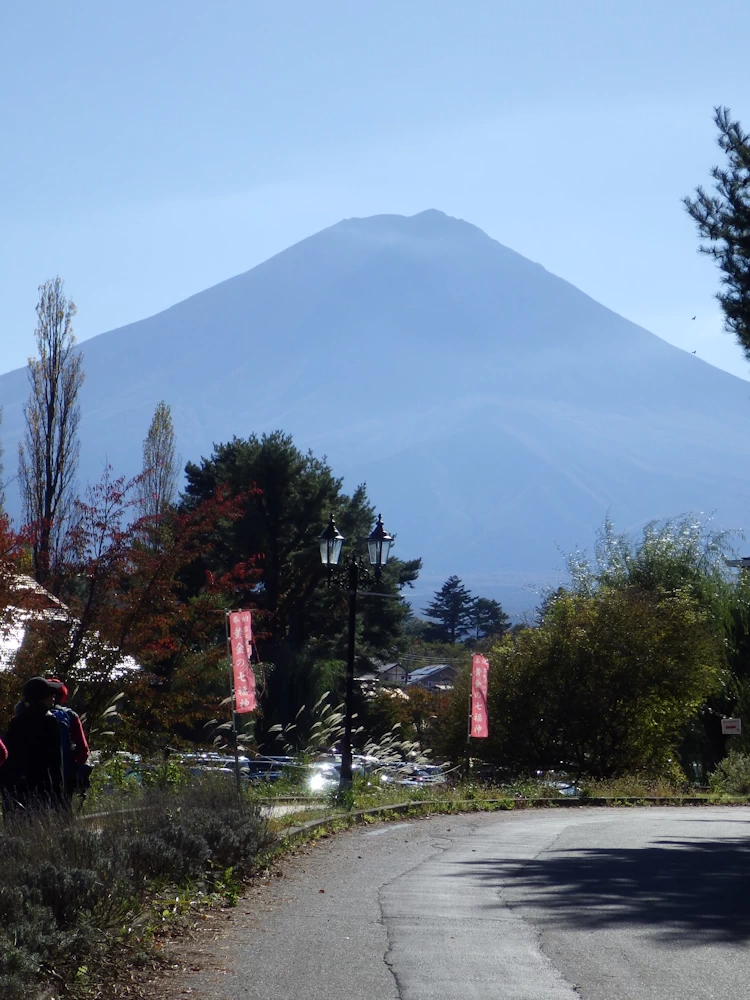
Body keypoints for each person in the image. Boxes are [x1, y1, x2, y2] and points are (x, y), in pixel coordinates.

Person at [1, 676, 65, 813]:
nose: (53, 697)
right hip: (42, 784)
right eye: (50, 694)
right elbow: (55, 761)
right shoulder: (49, 722)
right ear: (42, 697)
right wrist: (59, 796)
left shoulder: (16, 722)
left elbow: (8, 756)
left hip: (17, 785)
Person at [45, 677, 90, 801]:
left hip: (38, 774)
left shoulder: (31, 715)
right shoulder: (70, 715)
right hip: (66, 773)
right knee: (64, 809)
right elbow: (83, 748)